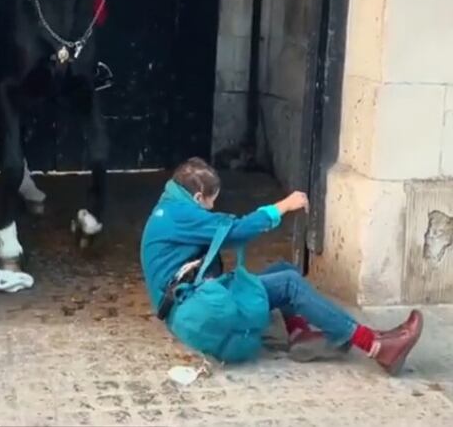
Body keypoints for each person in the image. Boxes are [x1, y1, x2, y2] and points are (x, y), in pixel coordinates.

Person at [141, 157, 423, 375]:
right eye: (210, 203)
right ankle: (375, 346)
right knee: (288, 283)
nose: (212, 209)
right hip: (192, 308)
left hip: (185, 301)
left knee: (282, 268)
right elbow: (236, 230)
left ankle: (300, 334)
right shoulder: (183, 215)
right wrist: (282, 207)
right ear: (198, 197)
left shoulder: (170, 207)